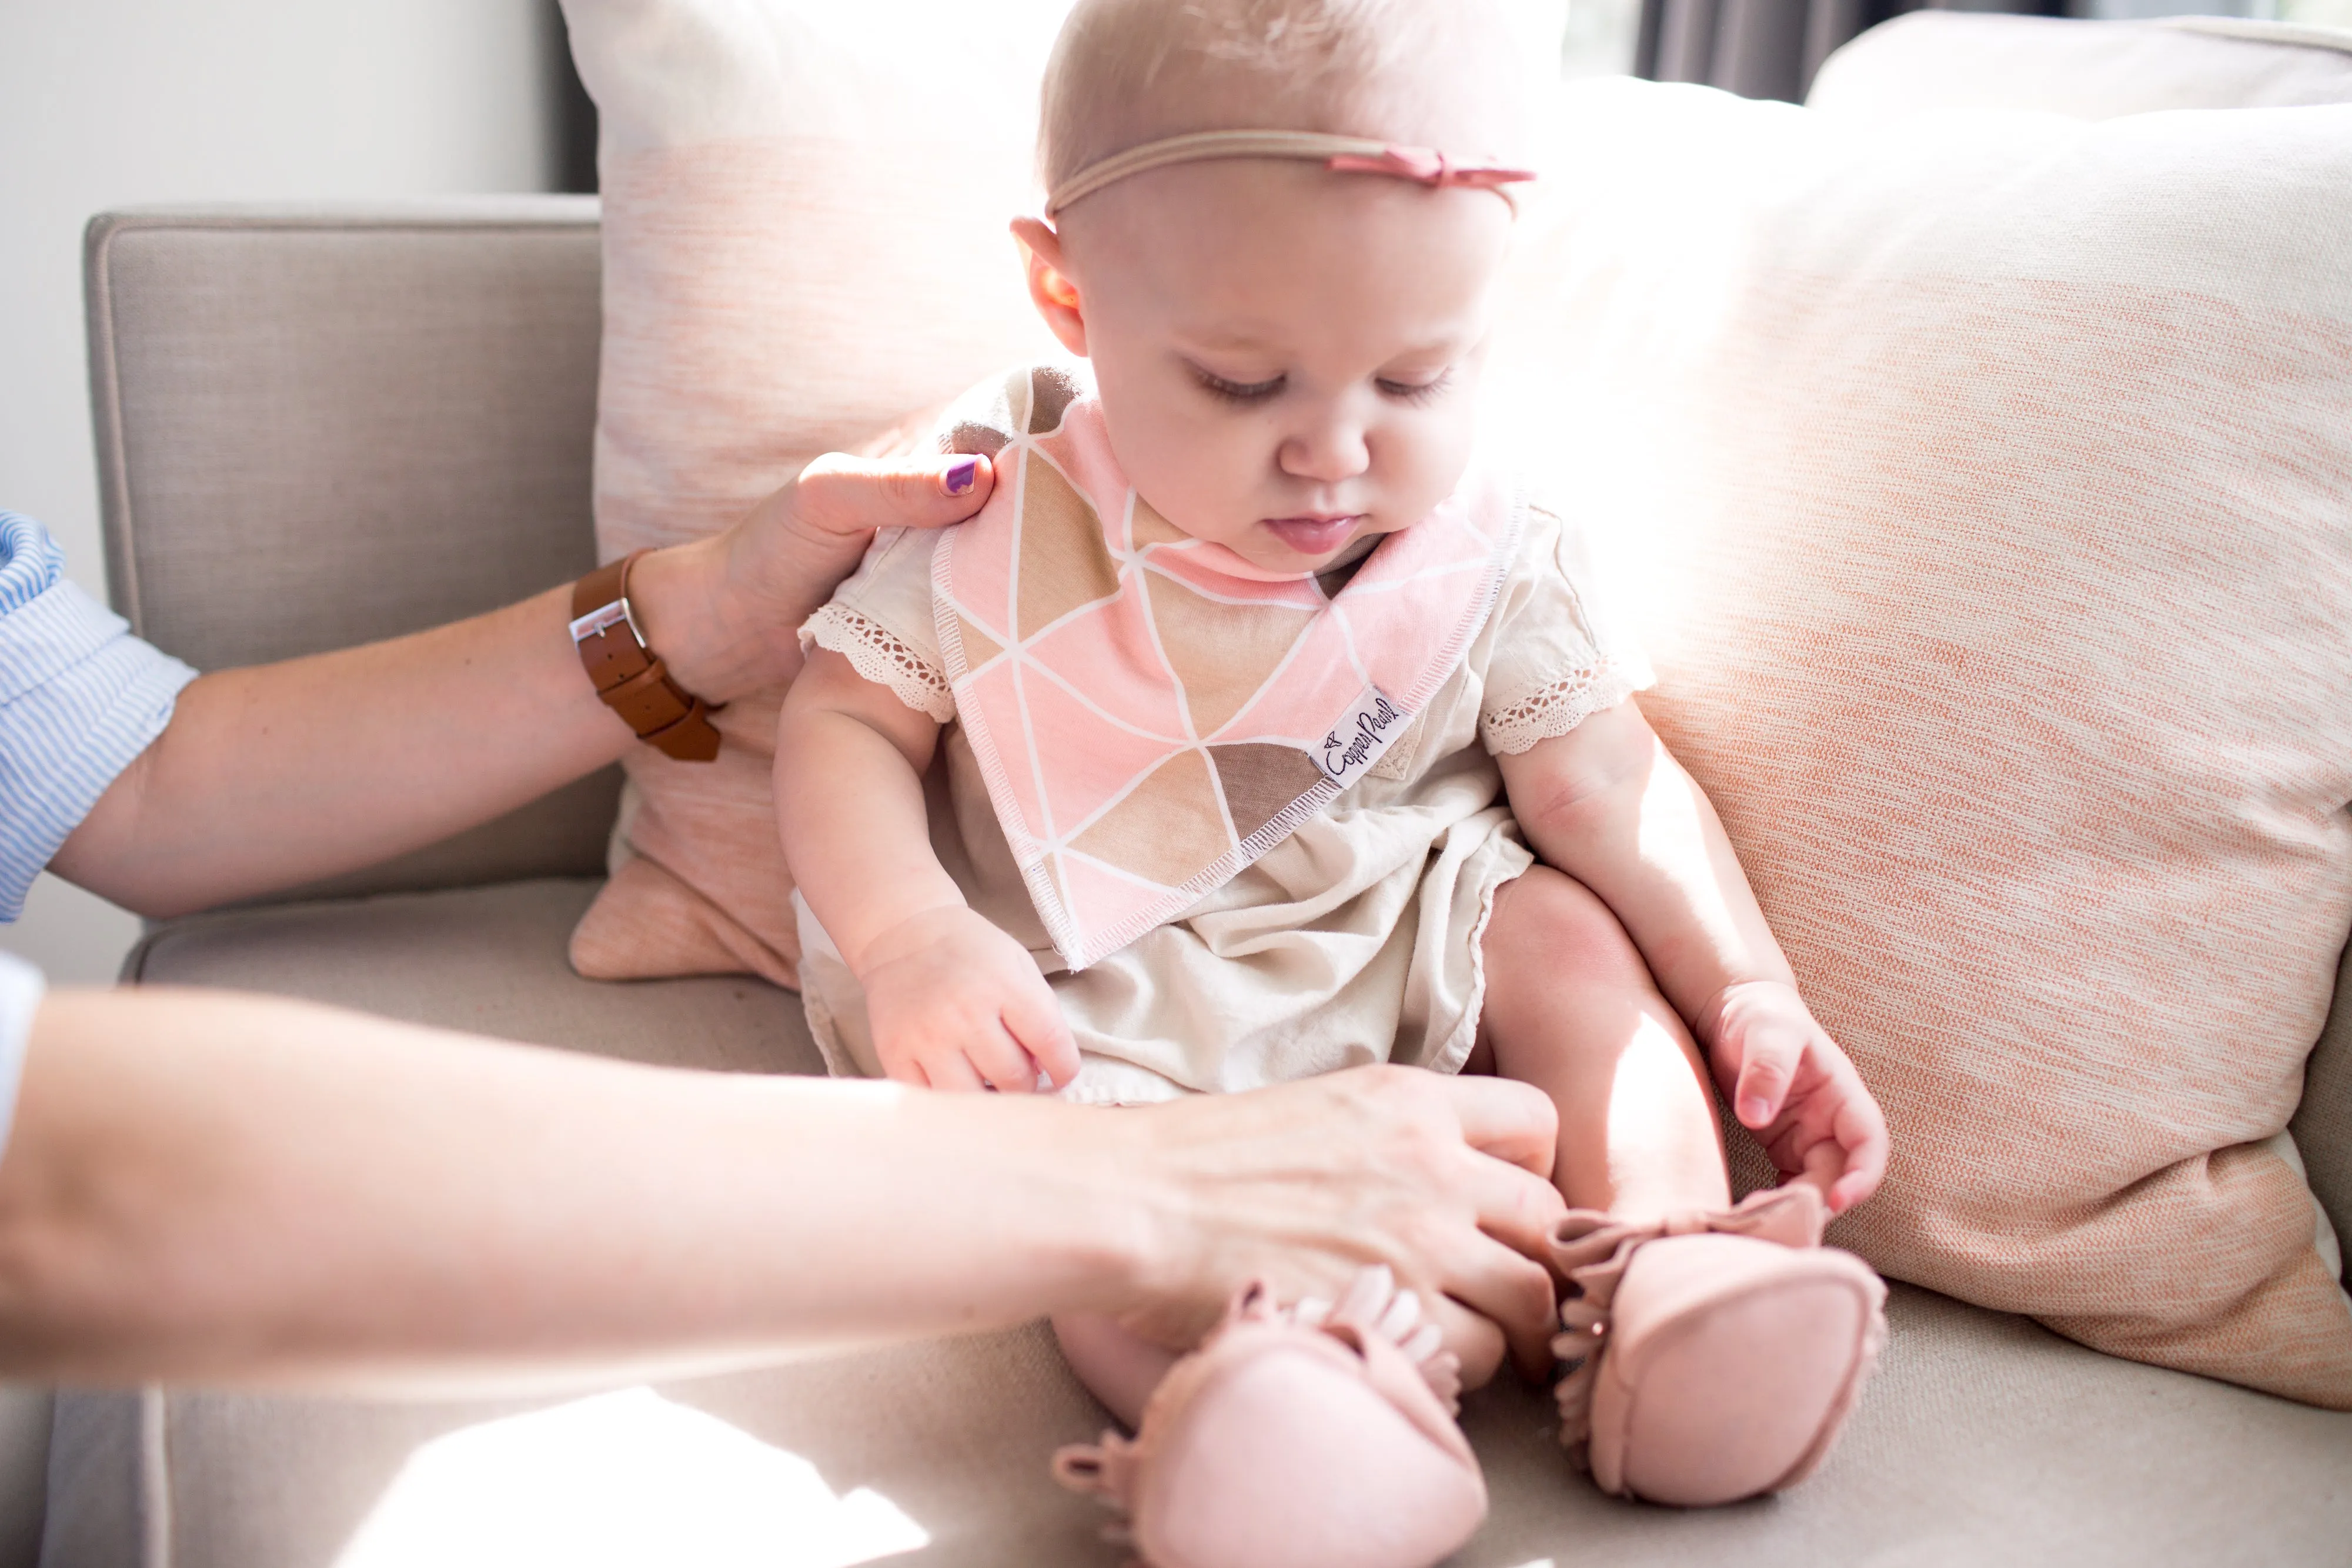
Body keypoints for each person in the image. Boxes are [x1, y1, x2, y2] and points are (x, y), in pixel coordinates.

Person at [773, 0, 1894, 1542]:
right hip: (1105, 982)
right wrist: (908, 937)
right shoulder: (992, 502)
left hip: (1398, 929)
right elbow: (844, 724)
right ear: (1067, 294)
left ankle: (1672, 1271)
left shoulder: (1486, 543)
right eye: (1244, 383)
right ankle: (1276, 1397)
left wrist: (1750, 987)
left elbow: (1607, 784)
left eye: (1418, 379)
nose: (1335, 454)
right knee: (1062, 1163)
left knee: (1567, 931)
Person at [0, 453, 1571, 1390]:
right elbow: (58, 1190)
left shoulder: (1491, 543)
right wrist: (1135, 1185)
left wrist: (702, 610)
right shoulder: (1010, 536)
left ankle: (1671, 1279)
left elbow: (134, 779)